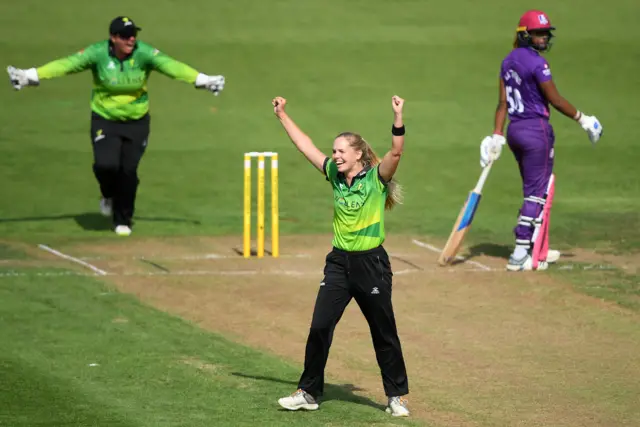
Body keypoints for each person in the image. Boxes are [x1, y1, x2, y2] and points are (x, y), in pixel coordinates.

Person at [6, 16, 225, 236]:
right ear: (113, 38)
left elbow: (171, 66)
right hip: (105, 119)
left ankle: (123, 219)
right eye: (126, 36)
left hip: (136, 122)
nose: (131, 40)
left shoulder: (144, 53)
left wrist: (202, 80)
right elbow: (67, 64)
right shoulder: (98, 53)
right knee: (106, 166)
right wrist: (31, 75)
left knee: (128, 171)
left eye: (133, 36)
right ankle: (108, 194)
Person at [272, 95, 410, 417]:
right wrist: (283, 115)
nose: (334, 156)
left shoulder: (377, 178)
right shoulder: (334, 175)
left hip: (371, 264)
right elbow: (306, 146)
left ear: (358, 154)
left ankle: (396, 397)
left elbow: (396, 151)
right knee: (320, 326)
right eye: (333, 152)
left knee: (383, 331)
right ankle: (308, 392)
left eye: (340, 151)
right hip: (338, 263)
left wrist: (398, 116)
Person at [480, 10, 603, 271]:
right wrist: (584, 119)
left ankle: (536, 246)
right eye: (538, 34)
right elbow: (555, 100)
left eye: (545, 33)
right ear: (525, 35)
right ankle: (520, 253)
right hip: (537, 132)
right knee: (537, 193)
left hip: (515, 131)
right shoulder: (538, 64)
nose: (544, 38)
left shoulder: (507, 61)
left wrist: (497, 135)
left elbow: (502, 103)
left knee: (532, 190)